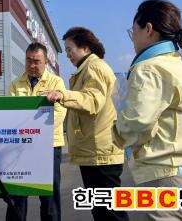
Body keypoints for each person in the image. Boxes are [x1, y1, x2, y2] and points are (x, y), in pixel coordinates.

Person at [113, 0, 182, 221]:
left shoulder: (148, 68)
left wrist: (117, 130)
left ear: (148, 29)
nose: (133, 40)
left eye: (133, 31)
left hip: (170, 177)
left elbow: (138, 122)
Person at [44, 27, 129, 221]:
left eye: (70, 49)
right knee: (103, 212)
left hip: (100, 152)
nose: (68, 55)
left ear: (85, 47)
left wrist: (62, 95)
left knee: (110, 214)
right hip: (95, 151)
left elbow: (92, 100)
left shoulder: (94, 67)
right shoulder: (88, 68)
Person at [5, 42, 67, 221]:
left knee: (49, 195)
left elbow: (59, 113)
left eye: (37, 61)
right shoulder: (16, 84)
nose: (32, 65)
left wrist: (34, 132)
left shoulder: (56, 82)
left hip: (48, 146)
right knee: (17, 193)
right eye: (28, 60)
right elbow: (11, 114)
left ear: (46, 61)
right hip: (20, 147)